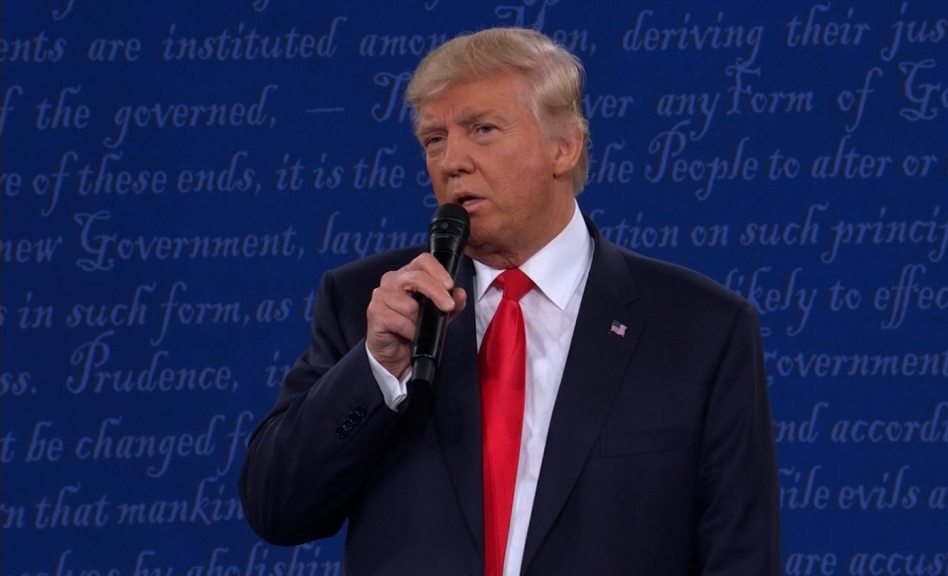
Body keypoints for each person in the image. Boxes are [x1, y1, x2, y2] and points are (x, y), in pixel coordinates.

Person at [238, 27, 780, 576]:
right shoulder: (370, 305)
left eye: (483, 129)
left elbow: (741, 555)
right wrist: (377, 369)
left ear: (563, 147)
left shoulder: (701, 328)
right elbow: (276, 509)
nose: (452, 161)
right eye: (434, 139)